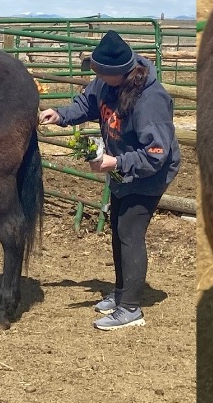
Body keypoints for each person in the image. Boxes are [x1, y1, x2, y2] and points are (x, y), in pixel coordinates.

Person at [39, 30, 181, 330]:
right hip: (121, 170)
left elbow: (156, 153)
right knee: (118, 229)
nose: (97, 77)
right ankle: (120, 294)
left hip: (147, 174)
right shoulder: (106, 83)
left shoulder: (150, 99)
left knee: (130, 233)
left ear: (120, 72)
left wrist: (116, 161)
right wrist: (60, 115)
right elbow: (87, 104)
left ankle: (130, 309)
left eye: (102, 73)